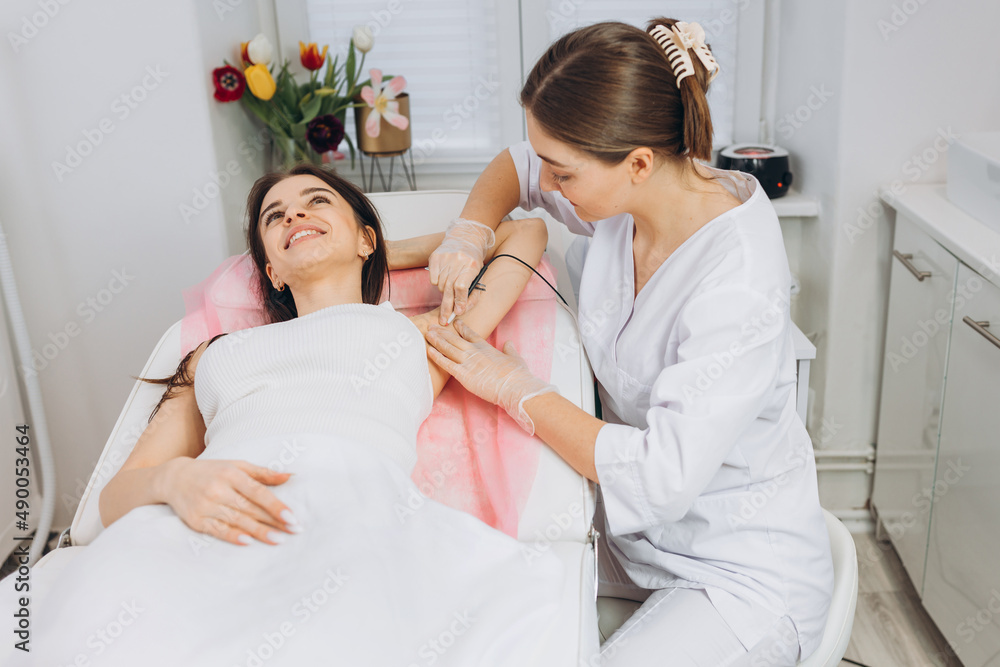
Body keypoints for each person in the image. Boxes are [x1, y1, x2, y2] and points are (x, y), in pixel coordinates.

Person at [20, 164, 573, 666]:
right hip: (209, 516)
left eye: (316, 203)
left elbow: (525, 233)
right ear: (270, 271)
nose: (296, 215)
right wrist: (177, 479)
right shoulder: (212, 354)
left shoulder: (421, 333)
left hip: (352, 516)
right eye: (276, 217)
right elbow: (114, 500)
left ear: (365, 235)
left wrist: (379, 252)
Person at [423, 18, 834, 667]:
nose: (549, 188)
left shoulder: (735, 280)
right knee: (481, 572)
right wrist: (470, 229)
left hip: (737, 570)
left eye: (564, 175)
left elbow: (657, 475)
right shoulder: (629, 200)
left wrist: (513, 386)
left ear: (637, 162)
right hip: (639, 533)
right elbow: (515, 166)